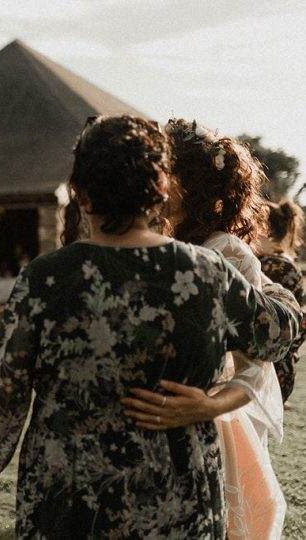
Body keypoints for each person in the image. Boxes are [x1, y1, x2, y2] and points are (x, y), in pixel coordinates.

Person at [0, 116, 300, 538]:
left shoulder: (47, 277)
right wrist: (274, 290)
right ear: (159, 190)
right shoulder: (206, 272)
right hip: (177, 497)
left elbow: (0, 393)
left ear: (80, 195)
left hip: (69, 499)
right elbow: (278, 332)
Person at [122, 119, 291, 539]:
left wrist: (209, 406)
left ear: (192, 185)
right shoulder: (148, 242)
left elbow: (254, 364)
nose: (152, 178)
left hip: (203, 421)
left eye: (164, 170)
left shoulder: (228, 253)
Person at [257, 198, 306, 404]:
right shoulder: (291, 269)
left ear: (264, 230)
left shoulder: (263, 265)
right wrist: (290, 354)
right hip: (283, 367)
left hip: (261, 366)